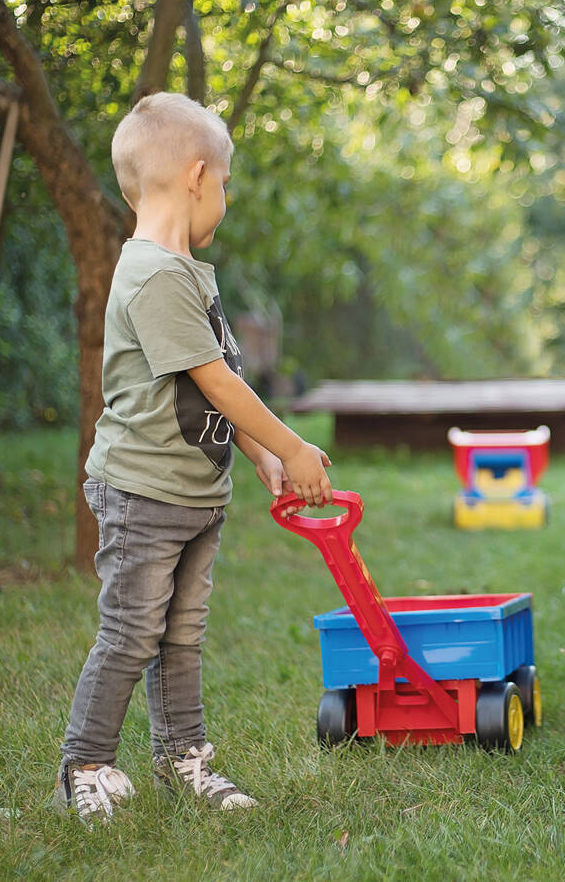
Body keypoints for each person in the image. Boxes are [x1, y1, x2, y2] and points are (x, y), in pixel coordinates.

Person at [53, 92, 333, 825]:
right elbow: (213, 380)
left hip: (192, 495)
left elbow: (212, 380)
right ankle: (85, 766)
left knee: (182, 636)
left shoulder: (182, 274)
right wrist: (292, 445)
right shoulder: (153, 275)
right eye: (228, 183)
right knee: (132, 633)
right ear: (199, 176)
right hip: (144, 493)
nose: (227, 198)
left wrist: (256, 453)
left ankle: (184, 760)